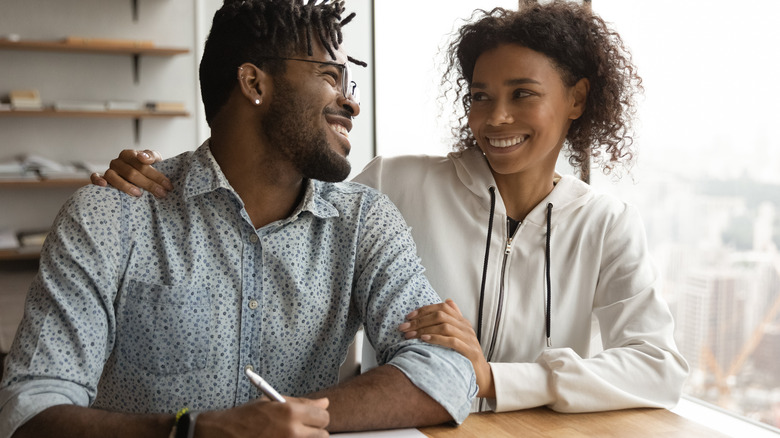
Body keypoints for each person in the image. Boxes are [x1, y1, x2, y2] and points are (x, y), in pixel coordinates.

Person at [89, 1, 689, 414]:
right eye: (480, 97)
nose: (495, 117)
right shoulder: (392, 184)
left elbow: (659, 367)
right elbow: (267, 174)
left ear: (578, 99)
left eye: (522, 95)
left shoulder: (607, 223)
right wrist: (158, 172)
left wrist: (497, 381)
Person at [0, 1, 477, 437]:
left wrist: (286, 419)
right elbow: (29, 410)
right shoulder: (111, 214)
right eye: (331, 76)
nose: (350, 102)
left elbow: (448, 372)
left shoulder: (363, 221)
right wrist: (198, 431)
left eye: (350, 83)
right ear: (254, 83)